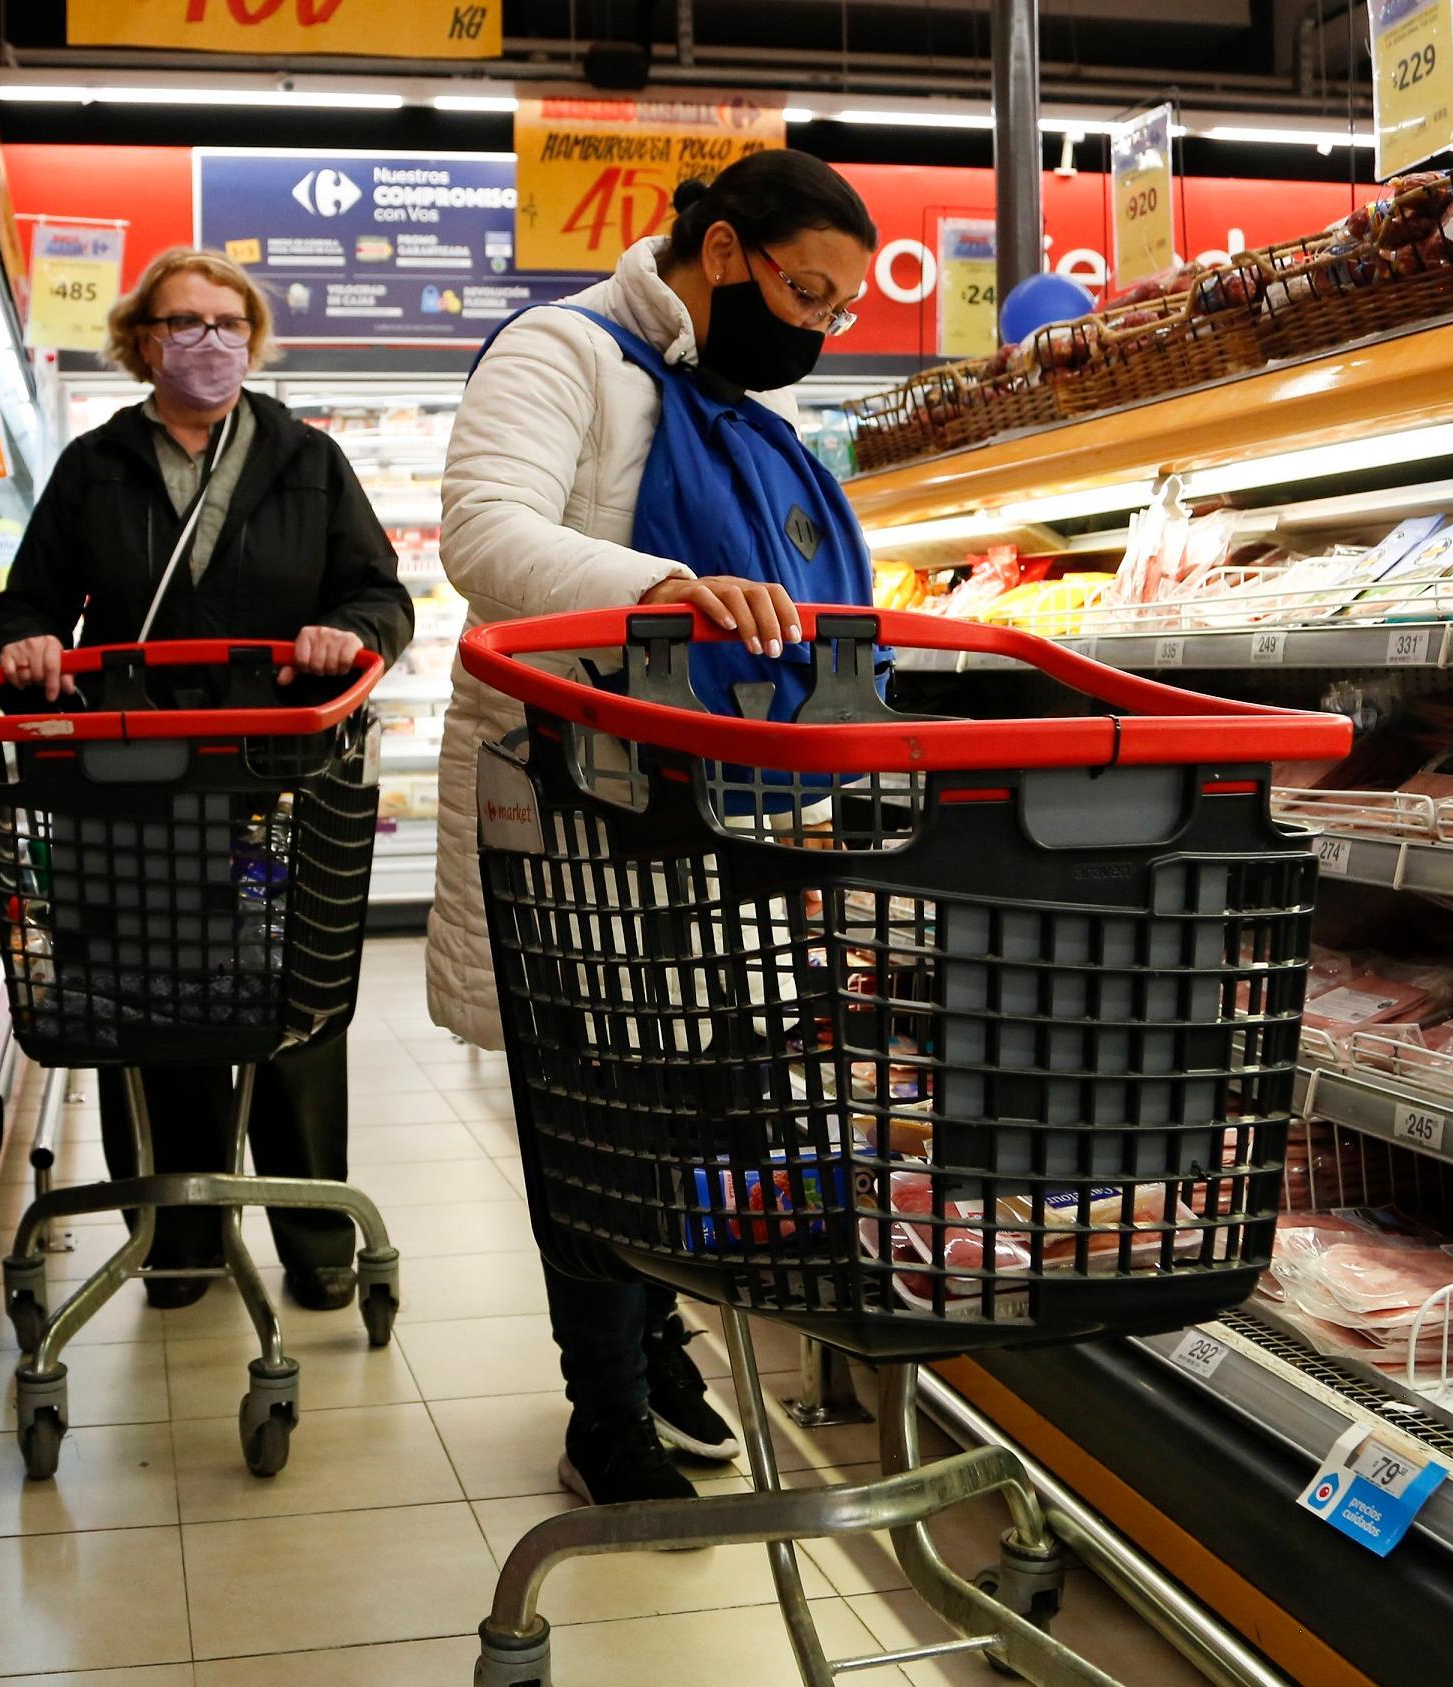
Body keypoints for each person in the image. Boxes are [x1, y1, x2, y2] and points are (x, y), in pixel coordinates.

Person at [428, 151, 880, 1504]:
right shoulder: (565, 351)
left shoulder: (733, 402)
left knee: (692, 1102)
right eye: (807, 293)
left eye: (840, 311)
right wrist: (670, 585)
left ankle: (661, 1337)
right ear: (725, 251)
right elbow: (482, 534)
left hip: (713, 804)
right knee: (594, 1111)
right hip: (572, 790)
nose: (815, 327)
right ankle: (602, 1409)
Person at [0, 246, 413, 1311]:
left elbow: (381, 597)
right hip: (130, 788)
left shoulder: (307, 460)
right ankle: (175, 1238)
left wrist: (339, 633)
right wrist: (32, 647)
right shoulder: (94, 466)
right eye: (183, 323)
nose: (207, 343)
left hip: (276, 785)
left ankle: (315, 1240)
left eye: (226, 324)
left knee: (290, 1016)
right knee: (151, 1007)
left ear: (251, 339)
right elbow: (24, 604)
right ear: (140, 340)